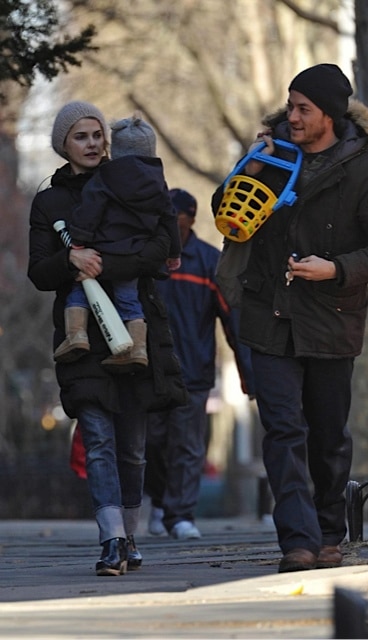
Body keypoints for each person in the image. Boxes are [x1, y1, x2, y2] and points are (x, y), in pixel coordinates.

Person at [211, 64, 368, 572]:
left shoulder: (365, 170)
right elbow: (226, 212)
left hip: (332, 319)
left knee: (327, 436)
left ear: (330, 114)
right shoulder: (272, 151)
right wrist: (250, 170)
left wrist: (338, 268)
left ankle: (328, 533)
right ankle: (297, 542)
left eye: (304, 108)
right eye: (291, 105)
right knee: (283, 430)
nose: (292, 116)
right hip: (268, 314)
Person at [28, 101, 189, 576]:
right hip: (80, 335)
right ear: (64, 144)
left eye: (98, 134)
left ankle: (132, 533)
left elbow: (162, 248)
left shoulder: (134, 181)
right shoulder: (49, 201)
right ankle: (111, 540)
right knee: (97, 438)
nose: (93, 143)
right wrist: (71, 262)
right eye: (82, 136)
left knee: (133, 447)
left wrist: (106, 263)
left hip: (137, 329)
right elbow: (39, 270)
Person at [144, 188, 255, 540]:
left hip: (193, 371)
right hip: (148, 370)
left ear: (191, 220)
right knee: (151, 443)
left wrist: (246, 373)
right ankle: (160, 502)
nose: (172, 229)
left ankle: (180, 515)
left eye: (177, 222)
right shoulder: (148, 259)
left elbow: (232, 320)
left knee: (188, 445)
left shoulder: (209, 263)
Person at [53, 111, 181, 371]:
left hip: (102, 251)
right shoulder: (159, 182)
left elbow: (91, 211)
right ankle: (138, 349)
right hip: (136, 254)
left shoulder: (105, 177)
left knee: (81, 291)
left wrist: (79, 241)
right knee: (129, 300)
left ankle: (76, 335)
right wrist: (174, 253)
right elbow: (169, 217)